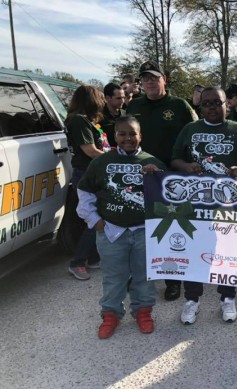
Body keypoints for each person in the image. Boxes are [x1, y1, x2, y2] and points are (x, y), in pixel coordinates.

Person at [171, 86, 237, 324]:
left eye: (216, 102)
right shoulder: (190, 129)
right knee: (195, 252)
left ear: (226, 104)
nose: (211, 107)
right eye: (206, 103)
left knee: (227, 253)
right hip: (196, 205)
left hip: (228, 206)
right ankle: (192, 300)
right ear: (200, 106)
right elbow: (175, 159)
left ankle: (227, 297)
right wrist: (186, 166)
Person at [76, 115, 166, 339]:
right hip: (111, 231)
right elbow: (84, 190)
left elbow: (166, 198)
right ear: (114, 136)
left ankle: (143, 312)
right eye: (122, 134)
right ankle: (111, 314)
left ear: (140, 135)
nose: (128, 138)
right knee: (113, 276)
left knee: (144, 275)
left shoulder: (152, 161)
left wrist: (157, 177)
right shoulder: (101, 162)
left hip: (143, 232)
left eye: (132, 133)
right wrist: (94, 220)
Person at [127, 60, 197, 302]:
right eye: (145, 78)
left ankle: (172, 279)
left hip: (171, 177)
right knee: (139, 228)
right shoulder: (134, 105)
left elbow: (193, 136)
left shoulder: (180, 106)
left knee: (169, 228)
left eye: (154, 78)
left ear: (164, 79)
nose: (149, 82)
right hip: (142, 175)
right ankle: (139, 275)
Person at [65, 85, 109, 281]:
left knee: (96, 216)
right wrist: (114, 158)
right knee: (94, 219)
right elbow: (90, 151)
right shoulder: (79, 121)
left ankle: (92, 257)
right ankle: (77, 262)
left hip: (90, 173)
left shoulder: (85, 121)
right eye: (100, 97)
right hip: (85, 175)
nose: (103, 101)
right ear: (91, 100)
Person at [99, 83, 125, 147]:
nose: (122, 101)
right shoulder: (98, 116)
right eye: (118, 98)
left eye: (123, 97)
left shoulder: (126, 114)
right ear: (107, 98)